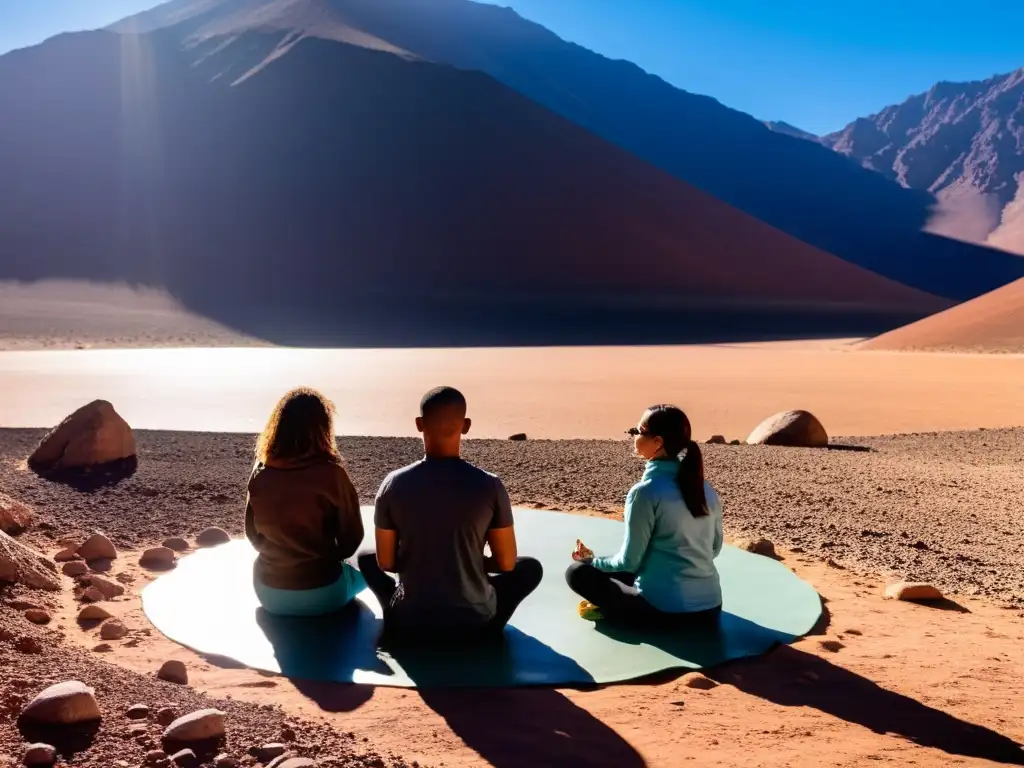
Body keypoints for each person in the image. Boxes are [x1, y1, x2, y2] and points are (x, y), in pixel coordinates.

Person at [357, 386, 542, 643]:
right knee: (529, 568)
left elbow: (387, 563)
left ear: (419, 424)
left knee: (368, 558)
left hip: (410, 622)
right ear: (466, 426)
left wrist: (423, 559)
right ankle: (483, 625)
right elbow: (506, 563)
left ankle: (396, 612)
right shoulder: (489, 485)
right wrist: (471, 562)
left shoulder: (393, 484)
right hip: (475, 625)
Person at [565, 404, 723, 627]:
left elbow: (629, 562)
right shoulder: (705, 489)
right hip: (710, 609)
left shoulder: (645, 492)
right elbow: (714, 549)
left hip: (665, 612)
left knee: (577, 572)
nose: (634, 436)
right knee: (630, 569)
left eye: (638, 431)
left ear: (657, 442)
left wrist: (592, 561)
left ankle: (618, 614)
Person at [245, 387, 365, 617]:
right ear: (323, 429)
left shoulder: (261, 472)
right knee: (372, 568)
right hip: (325, 593)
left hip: (269, 594)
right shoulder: (332, 474)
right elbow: (351, 541)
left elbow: (252, 534)